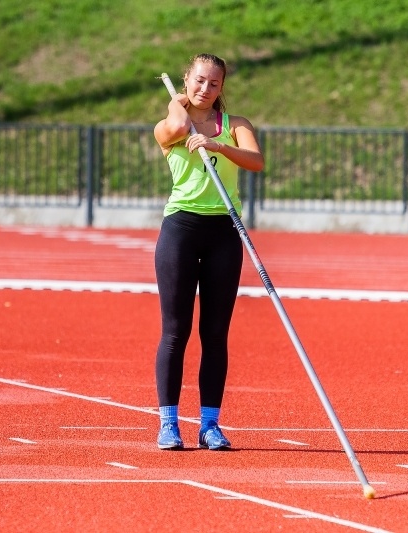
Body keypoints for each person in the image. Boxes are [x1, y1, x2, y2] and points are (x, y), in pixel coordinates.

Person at [152, 53, 264, 450]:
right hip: (181, 229)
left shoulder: (237, 126)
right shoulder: (168, 125)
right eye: (198, 81)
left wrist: (217, 143)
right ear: (186, 79)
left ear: (222, 88)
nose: (205, 89)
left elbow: (256, 161)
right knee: (175, 331)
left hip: (223, 231)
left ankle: (210, 425)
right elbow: (177, 127)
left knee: (215, 333)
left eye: (213, 84)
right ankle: (169, 424)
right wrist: (177, 102)